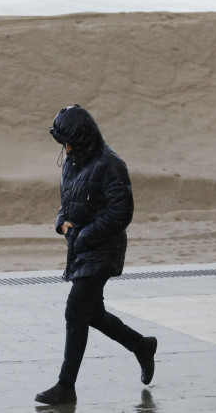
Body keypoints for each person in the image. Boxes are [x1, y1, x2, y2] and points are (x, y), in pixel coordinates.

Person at [35, 105, 157, 406]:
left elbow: (121, 212)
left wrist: (85, 235)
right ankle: (141, 346)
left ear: (82, 138)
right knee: (92, 314)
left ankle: (66, 386)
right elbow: (67, 200)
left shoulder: (110, 164)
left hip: (102, 249)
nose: (64, 148)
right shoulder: (73, 161)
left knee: (75, 311)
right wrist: (61, 222)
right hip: (81, 248)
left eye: (68, 141)